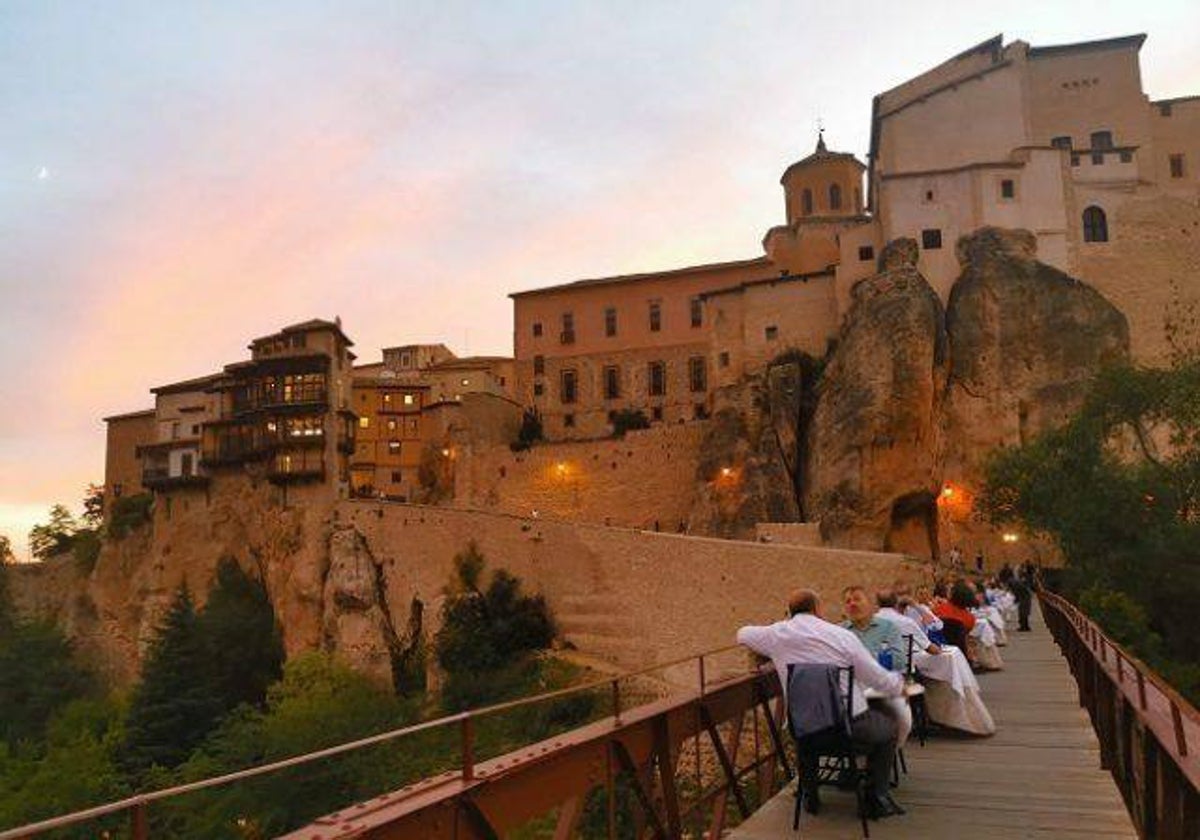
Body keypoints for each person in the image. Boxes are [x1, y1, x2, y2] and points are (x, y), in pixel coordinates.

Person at [736, 589, 907, 818]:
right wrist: (898, 686)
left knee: (809, 726)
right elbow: (876, 677)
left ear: (790, 612)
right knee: (889, 727)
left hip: (804, 732)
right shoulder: (842, 636)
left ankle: (809, 793)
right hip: (849, 729)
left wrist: (777, 633)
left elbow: (742, 634)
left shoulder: (777, 634)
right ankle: (876, 797)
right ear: (818, 609)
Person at [841, 586, 914, 751]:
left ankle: (889, 753)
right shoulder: (840, 631)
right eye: (848, 601)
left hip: (883, 687)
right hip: (852, 690)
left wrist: (864, 660)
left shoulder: (888, 628)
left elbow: (899, 661)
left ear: (872, 605)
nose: (852, 604)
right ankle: (860, 755)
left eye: (857, 599)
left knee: (904, 718)